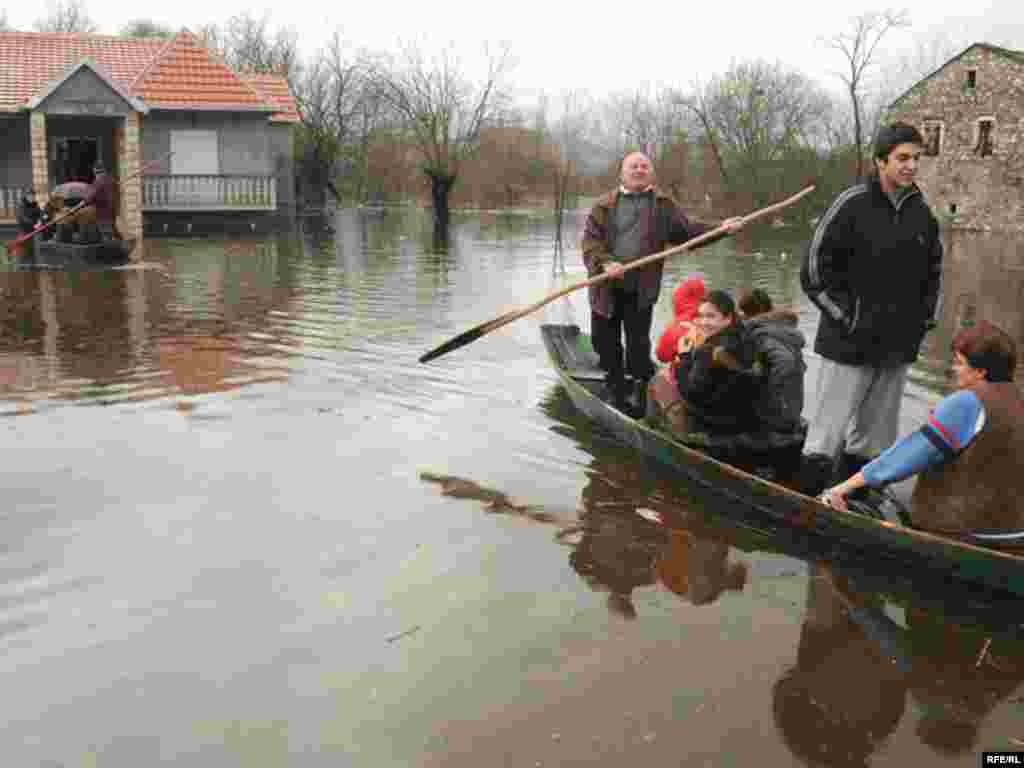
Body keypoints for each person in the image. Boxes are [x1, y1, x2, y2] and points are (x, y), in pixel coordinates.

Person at [800, 122, 943, 489]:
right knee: (825, 436)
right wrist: (849, 319)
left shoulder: (922, 214)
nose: (911, 166)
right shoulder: (851, 205)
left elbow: (934, 275)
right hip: (847, 344)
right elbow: (813, 272)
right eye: (902, 158)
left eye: (916, 158)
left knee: (874, 440)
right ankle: (810, 500)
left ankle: (855, 500)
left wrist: (923, 322)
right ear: (881, 161)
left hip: (896, 348)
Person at [821, 321, 1024, 539]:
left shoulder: (967, 402)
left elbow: (909, 456)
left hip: (962, 529)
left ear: (981, 372)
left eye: (959, 363)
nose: (953, 369)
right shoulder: (1017, 399)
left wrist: (841, 488)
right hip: (1013, 530)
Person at [581, 151, 743, 413]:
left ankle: (639, 391)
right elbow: (590, 244)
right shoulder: (603, 205)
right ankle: (615, 386)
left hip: (641, 288)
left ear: (651, 173)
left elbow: (688, 232)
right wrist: (605, 263)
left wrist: (720, 229)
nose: (639, 170)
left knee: (638, 344)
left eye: (644, 166)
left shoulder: (663, 205)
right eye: (634, 166)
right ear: (622, 173)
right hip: (605, 289)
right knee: (604, 343)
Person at [673, 290, 759, 436]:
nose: (703, 322)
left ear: (727, 319)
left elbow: (691, 395)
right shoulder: (745, 337)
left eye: (711, 316)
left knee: (659, 384)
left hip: (714, 421)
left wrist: (684, 356)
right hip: (743, 416)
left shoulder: (707, 351)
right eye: (701, 316)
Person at [655, 275, 706, 363]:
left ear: (677, 300)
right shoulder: (710, 318)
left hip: (683, 372)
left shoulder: (678, 326)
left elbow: (662, 356)